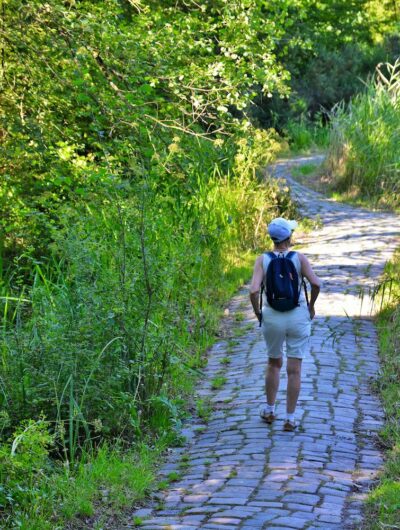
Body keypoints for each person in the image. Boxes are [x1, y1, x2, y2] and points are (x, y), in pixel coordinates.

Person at [249, 217, 321, 431]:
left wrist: (257, 312)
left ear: (272, 238)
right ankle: (290, 418)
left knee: (273, 363)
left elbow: (253, 290)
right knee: (294, 369)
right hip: (297, 315)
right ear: (289, 237)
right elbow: (316, 283)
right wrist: (311, 306)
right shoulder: (299, 258)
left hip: (272, 316)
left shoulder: (262, 260)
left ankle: (270, 410)